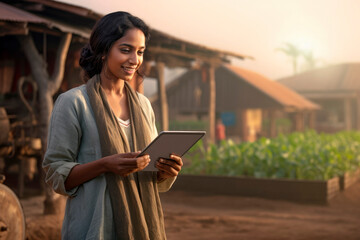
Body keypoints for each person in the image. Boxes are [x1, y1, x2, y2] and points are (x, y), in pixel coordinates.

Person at [42, 12, 182, 240]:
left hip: (143, 227)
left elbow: (148, 172)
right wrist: (105, 165)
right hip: (94, 228)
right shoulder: (74, 102)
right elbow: (56, 174)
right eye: (125, 50)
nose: (134, 60)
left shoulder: (144, 105)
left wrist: (165, 171)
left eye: (140, 52)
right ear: (104, 50)